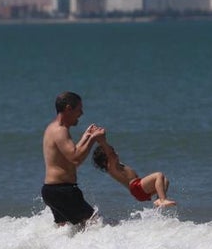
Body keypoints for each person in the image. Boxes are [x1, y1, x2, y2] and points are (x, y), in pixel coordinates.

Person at [41, 91, 106, 226]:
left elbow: (68, 159)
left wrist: (86, 137)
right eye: (79, 109)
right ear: (68, 108)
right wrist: (93, 139)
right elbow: (75, 158)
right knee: (95, 224)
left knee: (66, 230)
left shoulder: (52, 128)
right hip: (63, 191)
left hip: (52, 190)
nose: (81, 113)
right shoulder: (60, 130)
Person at [91, 136, 176, 208]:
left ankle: (158, 200)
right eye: (112, 153)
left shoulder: (118, 164)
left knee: (165, 181)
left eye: (114, 151)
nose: (115, 153)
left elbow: (109, 153)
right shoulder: (111, 169)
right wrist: (102, 141)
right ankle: (163, 199)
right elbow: (109, 152)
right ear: (105, 161)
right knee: (158, 175)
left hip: (139, 189)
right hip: (136, 187)